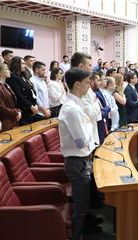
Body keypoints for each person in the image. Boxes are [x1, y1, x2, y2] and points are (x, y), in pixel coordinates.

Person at [58, 67, 96, 240]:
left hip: (81, 160)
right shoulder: (71, 109)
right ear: (77, 84)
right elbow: (81, 141)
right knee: (80, 207)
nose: (89, 85)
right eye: (87, 82)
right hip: (77, 161)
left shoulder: (77, 104)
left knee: (84, 203)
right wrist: (88, 125)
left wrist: (87, 123)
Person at [71, 52, 101, 145]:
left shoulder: (84, 84)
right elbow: (91, 113)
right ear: (81, 66)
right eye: (90, 65)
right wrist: (95, 103)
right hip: (86, 138)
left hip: (91, 133)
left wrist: (95, 103)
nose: (92, 68)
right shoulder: (79, 86)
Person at [7, 56, 39, 125]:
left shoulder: (24, 76)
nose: (24, 65)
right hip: (23, 110)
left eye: (24, 63)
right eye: (22, 63)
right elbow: (19, 95)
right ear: (16, 65)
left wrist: (35, 104)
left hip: (31, 108)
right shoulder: (13, 77)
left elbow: (32, 92)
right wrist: (31, 106)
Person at [0, 63, 21, 131]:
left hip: (13, 120)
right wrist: (16, 112)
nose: (9, 71)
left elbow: (13, 102)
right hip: (6, 123)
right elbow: (1, 108)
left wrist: (18, 111)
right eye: (7, 69)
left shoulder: (6, 85)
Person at [91, 72, 110, 144]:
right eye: (98, 80)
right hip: (98, 122)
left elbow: (105, 106)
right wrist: (105, 110)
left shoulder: (98, 90)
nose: (99, 82)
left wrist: (105, 109)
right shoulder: (93, 93)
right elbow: (100, 111)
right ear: (91, 82)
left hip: (103, 120)